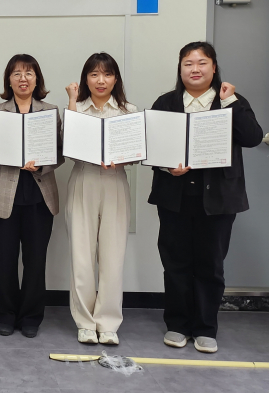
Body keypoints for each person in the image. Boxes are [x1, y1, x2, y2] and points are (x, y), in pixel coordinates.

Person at [148, 41, 263, 354]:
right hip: (175, 197)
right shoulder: (167, 102)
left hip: (218, 199)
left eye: (202, 63)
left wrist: (231, 102)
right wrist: (166, 166)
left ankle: (205, 328)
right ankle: (177, 324)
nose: (195, 69)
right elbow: (151, 146)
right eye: (188, 63)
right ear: (180, 69)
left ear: (214, 67)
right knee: (175, 263)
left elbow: (252, 137)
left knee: (210, 265)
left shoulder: (229, 101)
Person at [0, 54, 64, 338]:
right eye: (17, 73)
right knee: (4, 261)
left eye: (29, 73)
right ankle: (5, 314)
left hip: (40, 197)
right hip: (4, 196)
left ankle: (31, 316)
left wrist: (42, 165)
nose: (23, 78)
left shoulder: (50, 111)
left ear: (37, 79)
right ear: (8, 80)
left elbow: (60, 152)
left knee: (35, 261)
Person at [64, 52, 137, 346]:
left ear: (115, 79)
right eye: (94, 74)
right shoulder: (78, 108)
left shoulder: (128, 111)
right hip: (84, 178)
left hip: (115, 181)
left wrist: (122, 157)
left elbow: (135, 152)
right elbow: (68, 147)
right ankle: (84, 322)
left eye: (107, 74)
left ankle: (107, 323)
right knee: (81, 257)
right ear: (86, 79)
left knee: (112, 257)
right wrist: (72, 100)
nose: (101, 80)